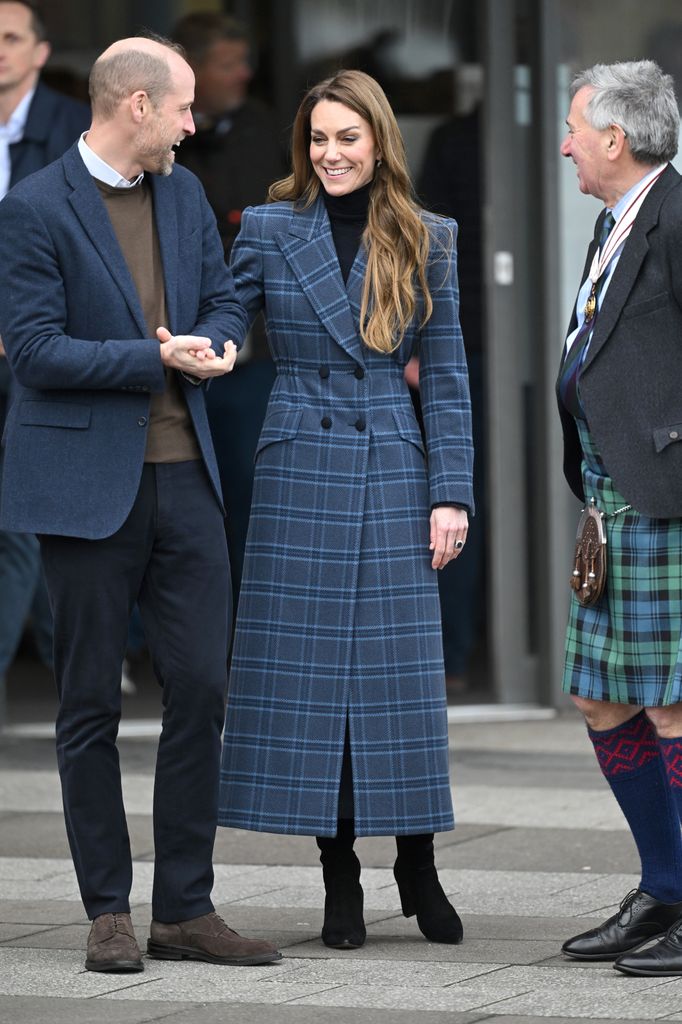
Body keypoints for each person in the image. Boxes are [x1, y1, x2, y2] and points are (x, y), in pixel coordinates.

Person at [0, 34, 280, 972]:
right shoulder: (33, 206)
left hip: (185, 477)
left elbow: (229, 296)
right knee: (87, 705)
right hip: (84, 490)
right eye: (185, 108)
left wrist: (223, 342)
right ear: (137, 107)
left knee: (201, 686)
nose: (195, 125)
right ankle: (109, 911)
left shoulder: (186, 191)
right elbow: (33, 351)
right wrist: (151, 357)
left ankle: (185, 907)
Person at [218, 68, 474, 950]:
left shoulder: (428, 234)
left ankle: (418, 863)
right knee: (310, 680)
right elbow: (228, 311)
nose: (331, 154)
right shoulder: (269, 226)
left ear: (378, 142)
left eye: (347, 138)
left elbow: (444, 376)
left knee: (397, 680)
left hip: (393, 464)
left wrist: (452, 493)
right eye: (319, 138)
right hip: (299, 463)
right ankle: (339, 877)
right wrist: (210, 343)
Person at [557, 60, 682, 977]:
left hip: (666, 494)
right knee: (602, 697)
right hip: (611, 499)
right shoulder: (616, 219)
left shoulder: (677, 218)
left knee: (677, 706)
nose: (564, 144)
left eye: (573, 129)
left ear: (615, 137)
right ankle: (666, 884)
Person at [170, 12, 286, 608]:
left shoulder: (265, 131)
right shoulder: (158, 139)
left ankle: (242, 624)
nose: (243, 74)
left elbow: (261, 228)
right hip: (162, 347)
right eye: (227, 63)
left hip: (250, 350)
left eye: (246, 61)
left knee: (245, 489)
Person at [0, 0, 90, 693]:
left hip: (37, 350)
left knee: (24, 525)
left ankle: (80, 670)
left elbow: (85, 247)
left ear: (39, 51)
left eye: (9, 38)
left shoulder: (72, 131)